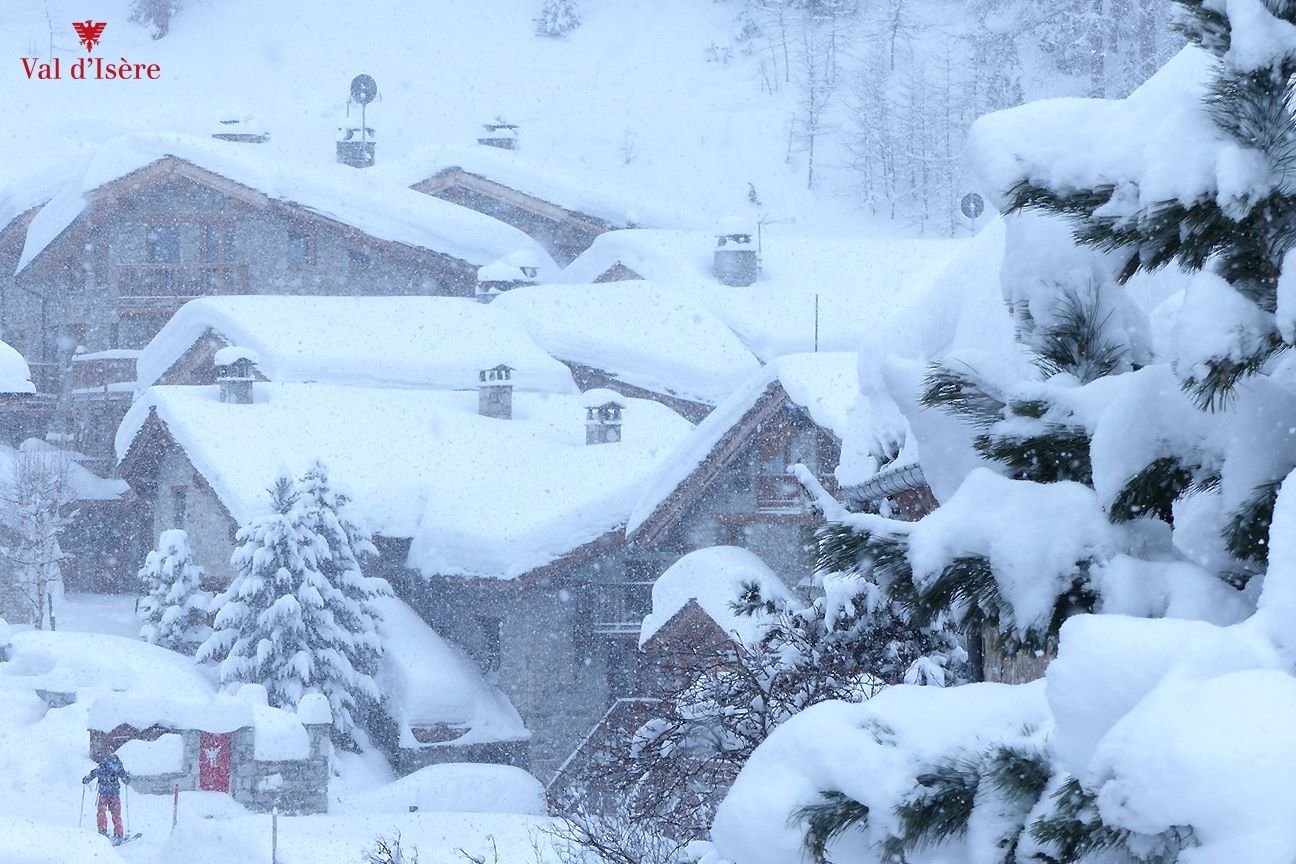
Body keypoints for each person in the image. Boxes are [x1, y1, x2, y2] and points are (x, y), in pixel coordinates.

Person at [82, 752, 130, 843]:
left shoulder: (103, 765)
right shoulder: (118, 765)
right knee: (116, 814)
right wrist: (127, 779)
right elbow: (124, 776)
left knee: (101, 813)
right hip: (115, 793)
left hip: (104, 793)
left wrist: (86, 779)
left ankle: (102, 831)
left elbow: (94, 773)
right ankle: (118, 834)